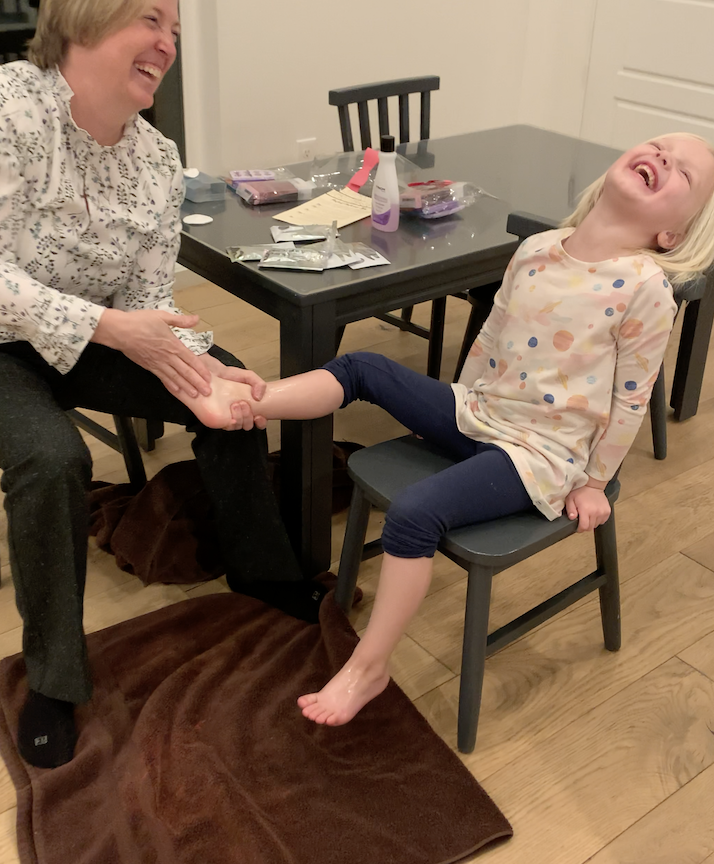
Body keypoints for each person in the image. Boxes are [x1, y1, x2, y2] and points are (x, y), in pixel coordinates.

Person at [183, 132, 714, 727]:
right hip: (481, 410)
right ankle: (255, 401)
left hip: (543, 453)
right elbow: (489, 337)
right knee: (364, 366)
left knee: (412, 515)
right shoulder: (539, 247)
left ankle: (368, 667)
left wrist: (593, 481)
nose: (664, 157)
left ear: (673, 235)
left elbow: (631, 401)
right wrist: (453, 404)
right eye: (660, 146)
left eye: (684, 173)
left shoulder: (645, 288)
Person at [0, 0, 327, 770]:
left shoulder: (157, 161)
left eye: (174, 27)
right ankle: (55, 679)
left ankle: (265, 574)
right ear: (82, 17)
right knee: (50, 458)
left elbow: (145, 302)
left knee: (229, 395)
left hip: (98, 332)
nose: (169, 44)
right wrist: (110, 329)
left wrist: (201, 372)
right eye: (150, 19)